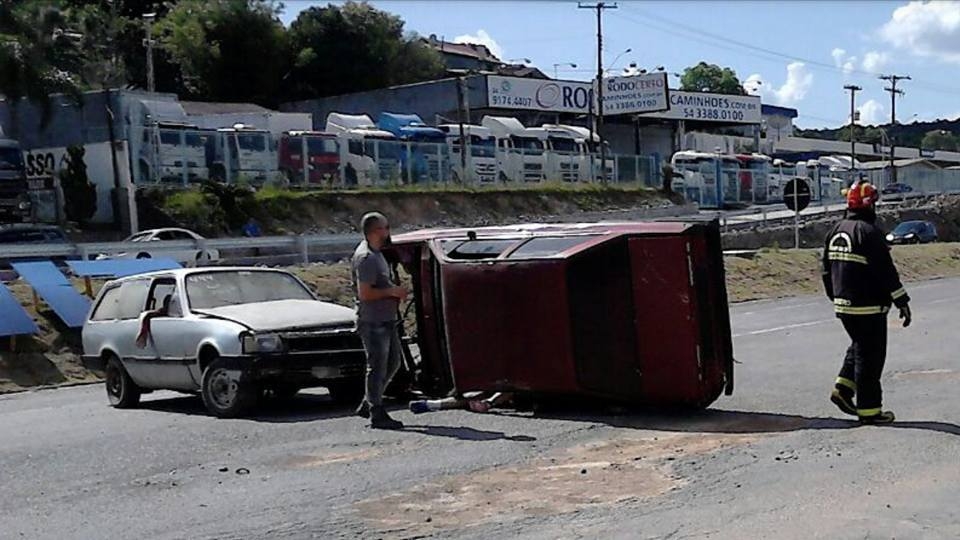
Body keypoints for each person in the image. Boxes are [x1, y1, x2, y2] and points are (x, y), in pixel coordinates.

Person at [821, 180, 911, 425]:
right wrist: (902, 300)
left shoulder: (835, 230)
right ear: (871, 205)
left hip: (844, 304)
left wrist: (835, 297)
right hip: (868, 306)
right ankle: (870, 411)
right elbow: (885, 272)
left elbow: (825, 270)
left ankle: (843, 389)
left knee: (859, 347)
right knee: (871, 357)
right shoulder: (869, 233)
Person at [352, 212, 408, 430]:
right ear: (377, 231)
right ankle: (376, 411)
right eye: (385, 227)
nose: (388, 231)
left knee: (393, 363)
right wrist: (393, 291)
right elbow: (365, 293)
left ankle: (369, 401)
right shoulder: (366, 257)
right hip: (373, 320)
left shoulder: (376, 253)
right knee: (377, 366)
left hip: (385, 318)